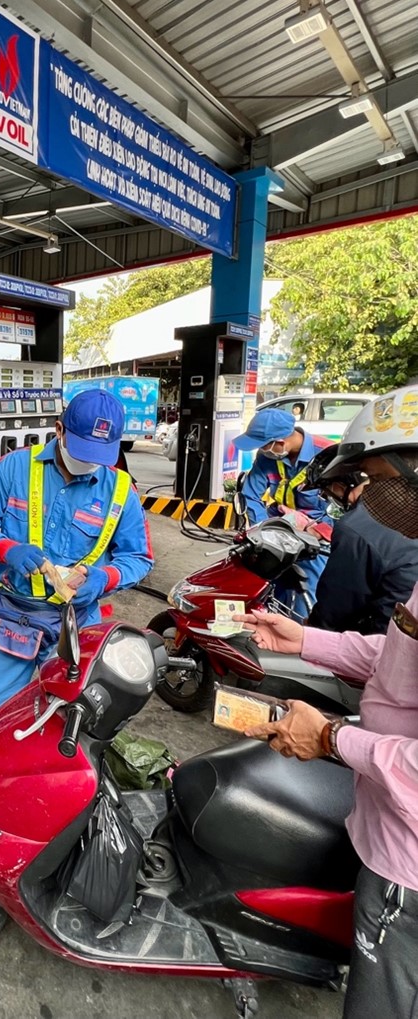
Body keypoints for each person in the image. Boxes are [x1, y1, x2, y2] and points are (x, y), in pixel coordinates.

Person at [236, 384, 418, 1019]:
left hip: (409, 870)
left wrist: (332, 738)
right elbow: (397, 660)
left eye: (379, 479)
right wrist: (305, 638)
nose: (371, 497)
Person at [0, 390, 155, 729]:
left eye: (99, 455)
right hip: (15, 616)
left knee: (73, 724)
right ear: (59, 430)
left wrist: (103, 578)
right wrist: (7, 549)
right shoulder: (13, 468)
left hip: (78, 622)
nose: (89, 462)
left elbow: (138, 557)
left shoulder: (121, 490)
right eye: (83, 451)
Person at [301, 442, 418, 636]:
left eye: (373, 477)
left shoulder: (355, 527)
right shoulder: (401, 511)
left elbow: (339, 603)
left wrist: (312, 634)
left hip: (380, 640)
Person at [232, 407, 334, 617]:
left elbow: (344, 508)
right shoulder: (267, 457)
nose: (261, 451)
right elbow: (251, 495)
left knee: (305, 596)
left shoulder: (327, 455)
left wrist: (315, 530)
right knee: (262, 589)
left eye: (262, 446)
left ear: (280, 443)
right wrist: (265, 531)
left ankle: (298, 640)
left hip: (315, 539)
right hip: (278, 531)